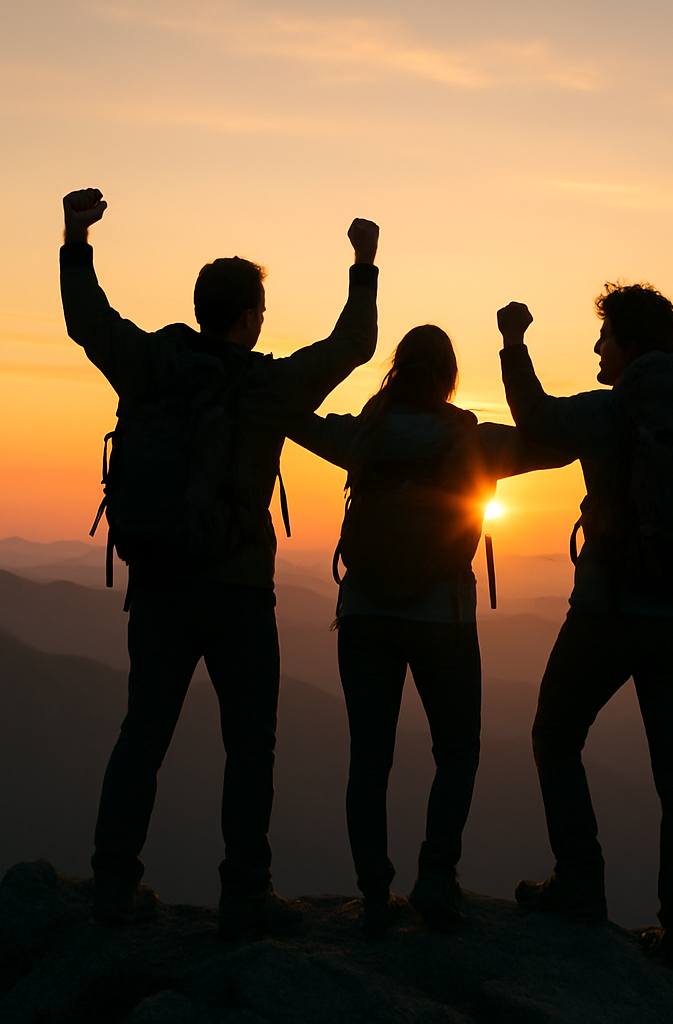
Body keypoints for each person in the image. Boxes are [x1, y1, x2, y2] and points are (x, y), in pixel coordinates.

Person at [60, 188, 380, 939]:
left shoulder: (149, 364)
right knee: (251, 743)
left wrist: (76, 239)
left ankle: (112, 883)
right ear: (247, 316)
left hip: (161, 585)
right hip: (238, 592)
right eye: (261, 311)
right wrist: (363, 265)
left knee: (144, 731)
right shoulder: (265, 386)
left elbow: (87, 321)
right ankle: (245, 892)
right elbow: (352, 347)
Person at [289, 324, 570, 938]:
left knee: (369, 757)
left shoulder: (362, 433)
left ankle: (372, 894)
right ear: (449, 378)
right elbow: (553, 445)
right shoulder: (473, 441)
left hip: (363, 614)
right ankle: (436, 877)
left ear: (396, 369)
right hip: (442, 617)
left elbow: (296, 419)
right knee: (458, 750)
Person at [496, 284, 673, 975]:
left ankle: (580, 882)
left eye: (604, 339)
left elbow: (537, 418)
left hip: (609, 611)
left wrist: (515, 344)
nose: (598, 350)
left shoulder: (614, 412)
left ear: (629, 345)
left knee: (554, 733)